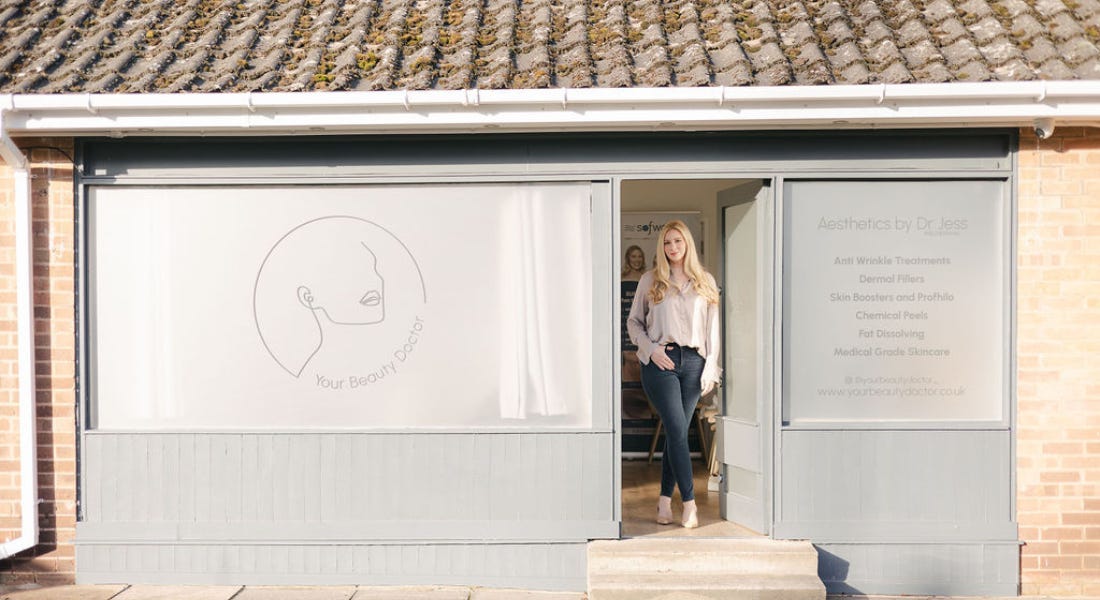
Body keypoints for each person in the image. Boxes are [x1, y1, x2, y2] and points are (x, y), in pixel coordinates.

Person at [626, 220, 720, 528]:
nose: (673, 248)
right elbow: (634, 323)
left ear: (687, 244)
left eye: (678, 241)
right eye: (667, 243)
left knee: (674, 431)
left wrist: (710, 367)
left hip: (693, 362)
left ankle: (664, 502)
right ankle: (690, 504)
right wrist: (651, 350)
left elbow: (712, 331)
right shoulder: (651, 280)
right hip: (660, 361)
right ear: (662, 248)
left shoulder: (704, 281)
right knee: (679, 429)